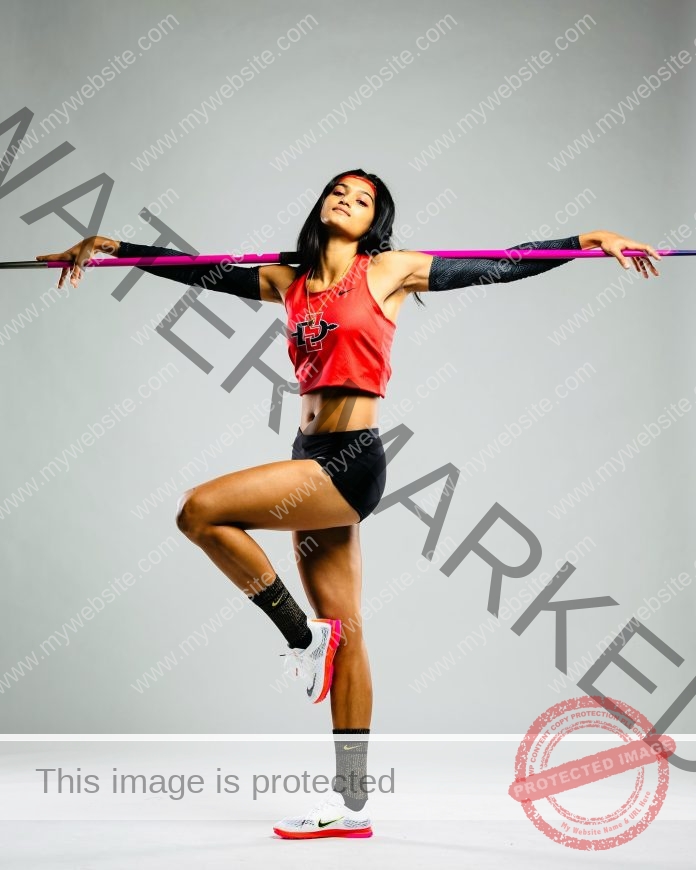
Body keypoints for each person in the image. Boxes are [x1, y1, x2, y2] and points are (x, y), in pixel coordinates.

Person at [36, 169, 661, 839]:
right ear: (322, 203)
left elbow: (499, 266)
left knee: (199, 511)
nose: (347, 200)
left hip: (351, 461)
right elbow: (202, 271)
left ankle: (303, 639)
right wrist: (110, 247)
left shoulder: (390, 270)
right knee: (352, 631)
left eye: (364, 199)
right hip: (307, 452)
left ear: (376, 222)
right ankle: (353, 805)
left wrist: (588, 238)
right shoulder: (287, 278)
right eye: (340, 190)